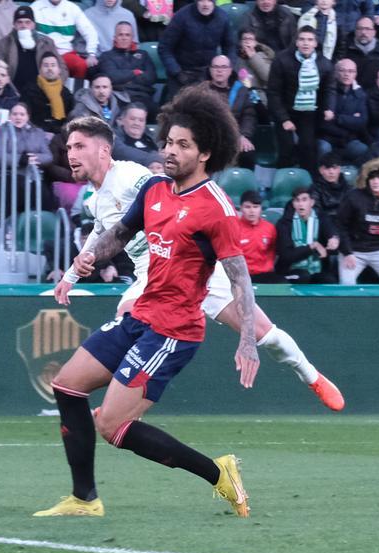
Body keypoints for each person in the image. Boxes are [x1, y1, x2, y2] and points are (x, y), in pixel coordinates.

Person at [37, 106, 258, 519]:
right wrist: (88, 258)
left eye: (183, 145)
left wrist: (248, 340)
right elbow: (120, 232)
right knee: (67, 386)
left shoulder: (217, 209)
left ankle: (218, 473)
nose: (170, 151)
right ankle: (85, 500)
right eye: (169, 142)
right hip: (140, 314)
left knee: (113, 426)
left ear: (205, 153)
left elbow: (239, 276)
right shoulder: (156, 188)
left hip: (173, 331)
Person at [52, 111, 345, 414]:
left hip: (197, 270)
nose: (71, 154)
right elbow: (105, 232)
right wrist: (72, 274)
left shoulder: (129, 176)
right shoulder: (95, 199)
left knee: (267, 336)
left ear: (103, 150)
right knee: (128, 316)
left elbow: (163, 184)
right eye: (69, 148)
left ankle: (311, 375)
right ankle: (119, 407)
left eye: (78, 147)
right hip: (152, 277)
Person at [267, 27, 333, 174]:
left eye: (310, 40)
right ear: (296, 42)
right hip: (285, 111)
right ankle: (282, 181)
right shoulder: (281, 60)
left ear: (316, 43)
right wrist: (284, 119)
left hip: (309, 113)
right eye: (302, 39)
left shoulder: (325, 64)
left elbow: (329, 89)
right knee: (287, 148)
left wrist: (329, 108)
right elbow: (273, 93)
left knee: (308, 148)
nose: (306, 43)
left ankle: (309, 186)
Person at [335, 157, 379, 285]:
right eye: (372, 178)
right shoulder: (353, 197)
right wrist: (347, 252)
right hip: (354, 251)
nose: (375, 182)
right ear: (367, 180)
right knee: (346, 286)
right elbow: (340, 225)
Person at [158, 0, 234, 102]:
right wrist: (177, 72)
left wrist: (227, 70)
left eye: (209, 1)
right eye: (202, 0)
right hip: (181, 73)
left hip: (208, 75)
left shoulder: (223, 17)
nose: (206, 4)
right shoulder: (181, 16)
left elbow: (230, 47)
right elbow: (164, 47)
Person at [200, 56, 257, 169]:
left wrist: (244, 136)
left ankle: (244, 185)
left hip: (235, 136)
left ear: (230, 70)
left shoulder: (241, 90)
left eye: (223, 67)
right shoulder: (201, 92)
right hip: (209, 137)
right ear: (210, 70)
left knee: (247, 152)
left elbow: (248, 116)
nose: (219, 70)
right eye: (215, 67)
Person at [276, 185, 340, 283]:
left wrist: (334, 239)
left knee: (329, 280)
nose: (301, 204)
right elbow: (286, 256)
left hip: (316, 269)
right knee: (303, 276)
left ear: (312, 202)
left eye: (304, 200)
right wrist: (312, 246)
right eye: (297, 200)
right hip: (290, 270)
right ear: (293, 204)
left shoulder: (321, 218)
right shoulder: (284, 224)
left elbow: (331, 231)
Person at [0, 6, 64, 88]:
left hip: (41, 93)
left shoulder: (46, 43)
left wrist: (53, 87)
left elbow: (62, 68)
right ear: (14, 24)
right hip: (12, 93)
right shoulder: (2, 44)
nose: (24, 26)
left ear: (33, 25)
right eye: (20, 22)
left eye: (27, 22)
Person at [318, 59, 370, 164]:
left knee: (363, 149)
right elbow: (323, 122)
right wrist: (351, 119)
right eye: (342, 70)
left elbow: (361, 121)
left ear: (355, 74)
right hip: (328, 138)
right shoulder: (327, 91)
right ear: (335, 72)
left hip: (349, 140)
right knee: (323, 147)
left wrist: (336, 117)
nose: (346, 74)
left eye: (351, 71)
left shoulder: (360, 95)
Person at [31, 0, 99, 79]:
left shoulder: (72, 8)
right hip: (43, 52)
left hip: (65, 53)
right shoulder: (35, 6)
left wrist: (91, 53)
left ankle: (76, 90)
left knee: (81, 65)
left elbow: (89, 31)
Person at [98, 21, 157, 110]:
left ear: (132, 38)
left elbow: (151, 78)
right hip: (119, 96)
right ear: (115, 37)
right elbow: (112, 77)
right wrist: (136, 72)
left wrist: (125, 78)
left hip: (143, 96)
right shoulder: (106, 56)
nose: (124, 38)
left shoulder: (144, 55)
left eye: (127, 35)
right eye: (120, 35)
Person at [235, 190, 282, 283]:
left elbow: (276, 253)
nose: (252, 211)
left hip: (265, 275)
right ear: (241, 208)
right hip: (243, 276)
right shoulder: (234, 229)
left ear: (261, 208)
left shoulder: (270, 228)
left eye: (255, 207)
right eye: (247, 207)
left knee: (283, 285)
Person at [19, 54, 73, 133]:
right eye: (46, 65)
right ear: (40, 70)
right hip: (33, 134)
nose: (49, 68)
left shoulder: (66, 93)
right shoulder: (29, 90)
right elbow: (24, 116)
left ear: (59, 70)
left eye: (53, 65)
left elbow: (70, 120)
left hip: (59, 137)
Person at [345, 16, 379, 92]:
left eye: (367, 29)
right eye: (360, 29)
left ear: (374, 32)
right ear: (355, 31)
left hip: (376, 97)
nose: (363, 32)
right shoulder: (344, 50)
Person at [111, 102, 161, 166]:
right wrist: (154, 159)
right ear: (122, 120)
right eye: (132, 119)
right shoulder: (113, 137)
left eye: (141, 120)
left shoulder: (152, 137)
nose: (136, 123)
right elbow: (121, 152)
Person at [313, 153, 351, 221]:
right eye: (327, 168)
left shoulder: (348, 188)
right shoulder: (315, 189)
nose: (331, 172)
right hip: (326, 225)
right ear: (321, 170)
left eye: (334, 168)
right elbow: (316, 214)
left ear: (339, 169)